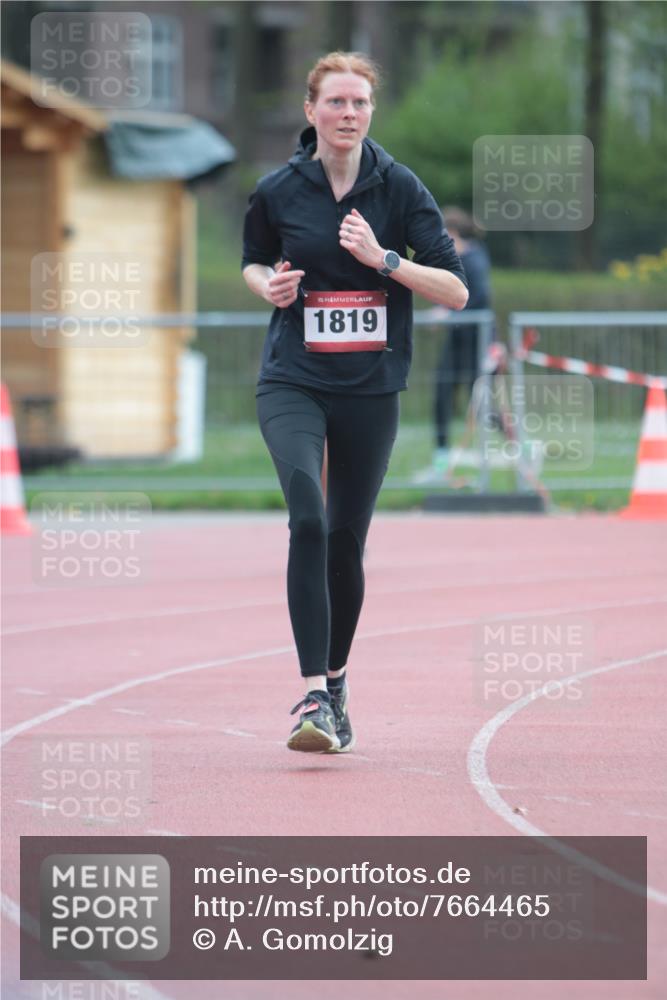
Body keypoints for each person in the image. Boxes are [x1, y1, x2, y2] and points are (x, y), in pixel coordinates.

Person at [242, 52, 468, 754]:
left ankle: (336, 687)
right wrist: (266, 288)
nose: (347, 114)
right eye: (335, 102)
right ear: (310, 111)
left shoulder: (398, 189)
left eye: (360, 104)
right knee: (306, 513)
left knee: (345, 537)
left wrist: (385, 260)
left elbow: (456, 291)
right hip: (293, 378)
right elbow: (252, 259)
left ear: (371, 113)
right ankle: (313, 688)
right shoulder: (278, 189)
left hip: (370, 387)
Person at [415, 207, 493, 482]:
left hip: (479, 341)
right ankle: (441, 458)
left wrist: (448, 312)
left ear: (453, 233)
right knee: (443, 393)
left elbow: (478, 296)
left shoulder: (476, 258)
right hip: (457, 340)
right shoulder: (452, 261)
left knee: (487, 404)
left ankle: (522, 451)